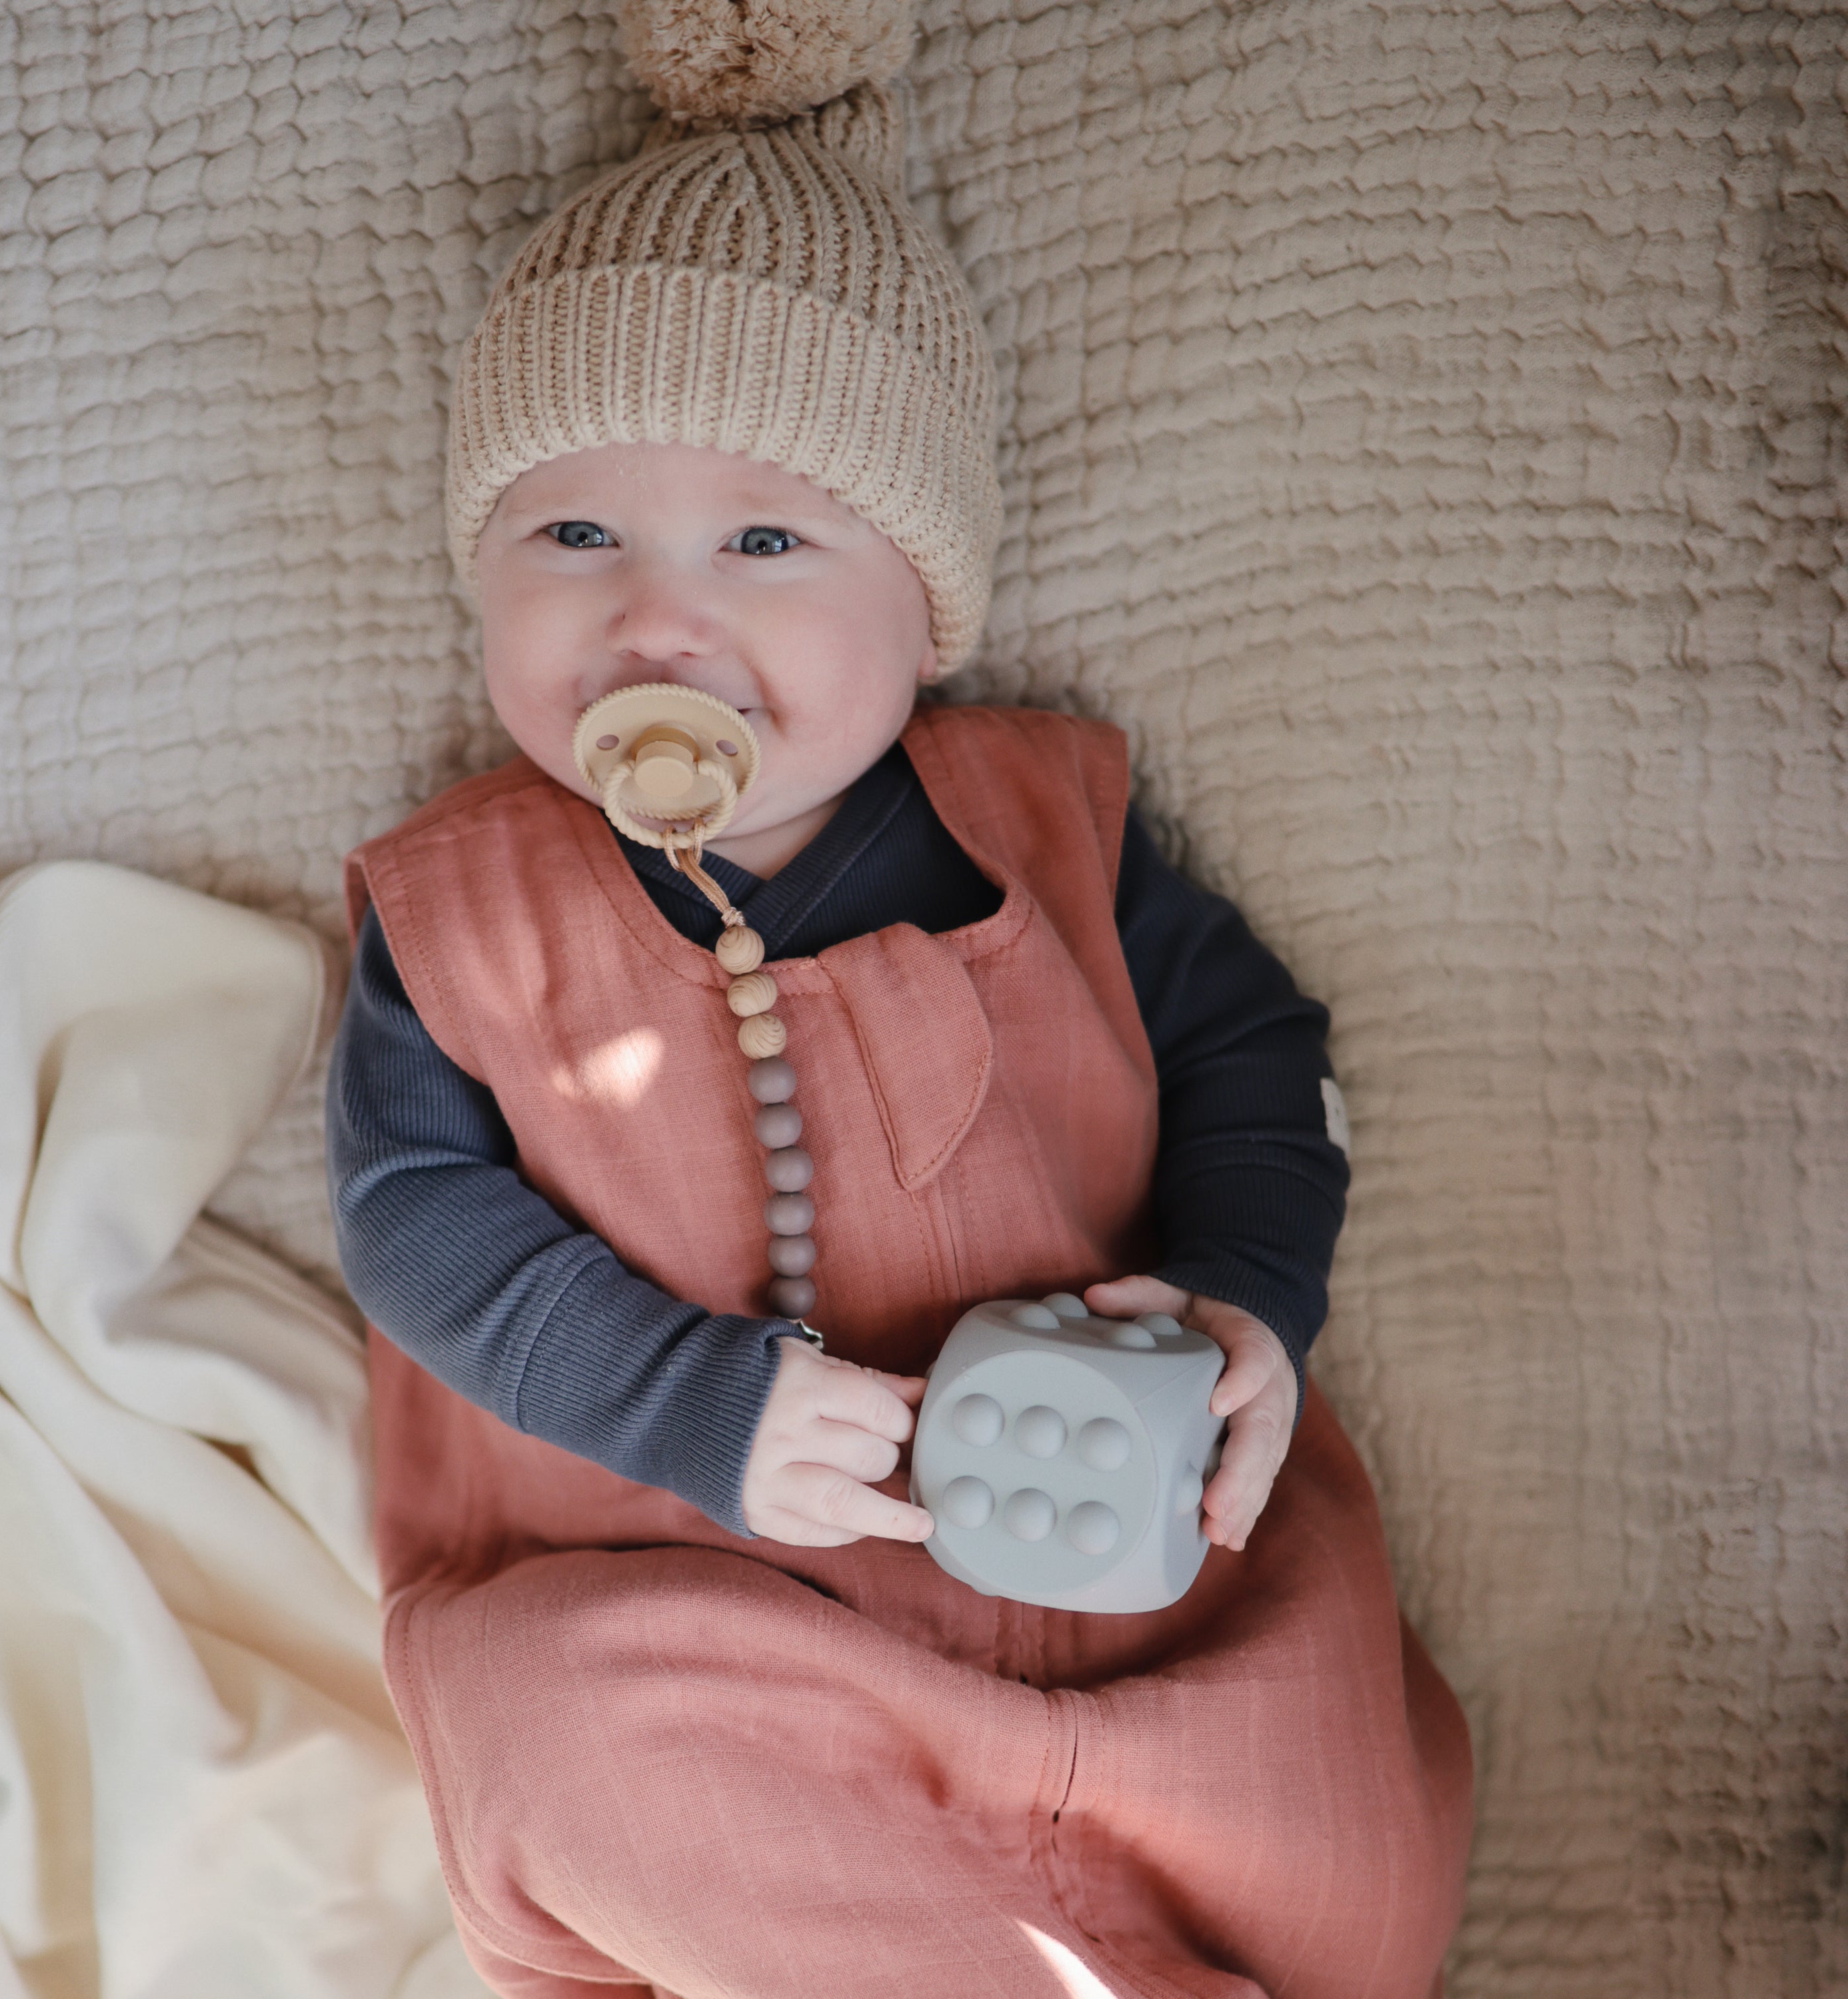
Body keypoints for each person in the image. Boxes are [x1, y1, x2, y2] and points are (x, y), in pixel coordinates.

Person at [326, 3, 1473, 1994]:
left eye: (768, 539)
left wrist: (1246, 1312)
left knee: (1352, 1822)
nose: (658, 615)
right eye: (571, 533)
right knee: (557, 1740)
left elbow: (1254, 1069)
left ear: (923, 601)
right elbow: (410, 1222)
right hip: (716, 1629)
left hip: (1164, 1626)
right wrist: (688, 1408)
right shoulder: (465, 911)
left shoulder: (1052, 828)